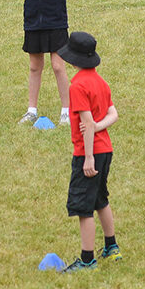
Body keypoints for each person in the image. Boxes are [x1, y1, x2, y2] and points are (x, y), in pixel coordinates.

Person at [58, 32, 119, 271]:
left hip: (89, 152)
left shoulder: (77, 86)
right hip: (106, 150)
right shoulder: (100, 82)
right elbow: (113, 115)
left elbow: (87, 122)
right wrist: (98, 125)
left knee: (84, 209)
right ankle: (111, 246)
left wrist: (88, 157)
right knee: (101, 200)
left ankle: (87, 259)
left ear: (74, 60)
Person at [7, 0, 78, 126]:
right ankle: (31, 111)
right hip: (33, 22)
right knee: (35, 66)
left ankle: (66, 111)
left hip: (55, 20)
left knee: (58, 66)